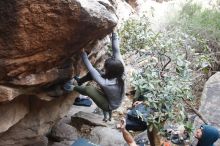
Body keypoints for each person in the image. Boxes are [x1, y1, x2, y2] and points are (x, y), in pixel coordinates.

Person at [63, 31, 125, 122]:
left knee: (89, 89)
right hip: (114, 97)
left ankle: (71, 87)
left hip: (109, 105)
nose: (104, 68)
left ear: (110, 72)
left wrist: (83, 54)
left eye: (106, 67)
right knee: (98, 72)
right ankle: (80, 81)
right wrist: (114, 33)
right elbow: (116, 50)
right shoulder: (121, 70)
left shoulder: (106, 83)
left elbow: (91, 69)